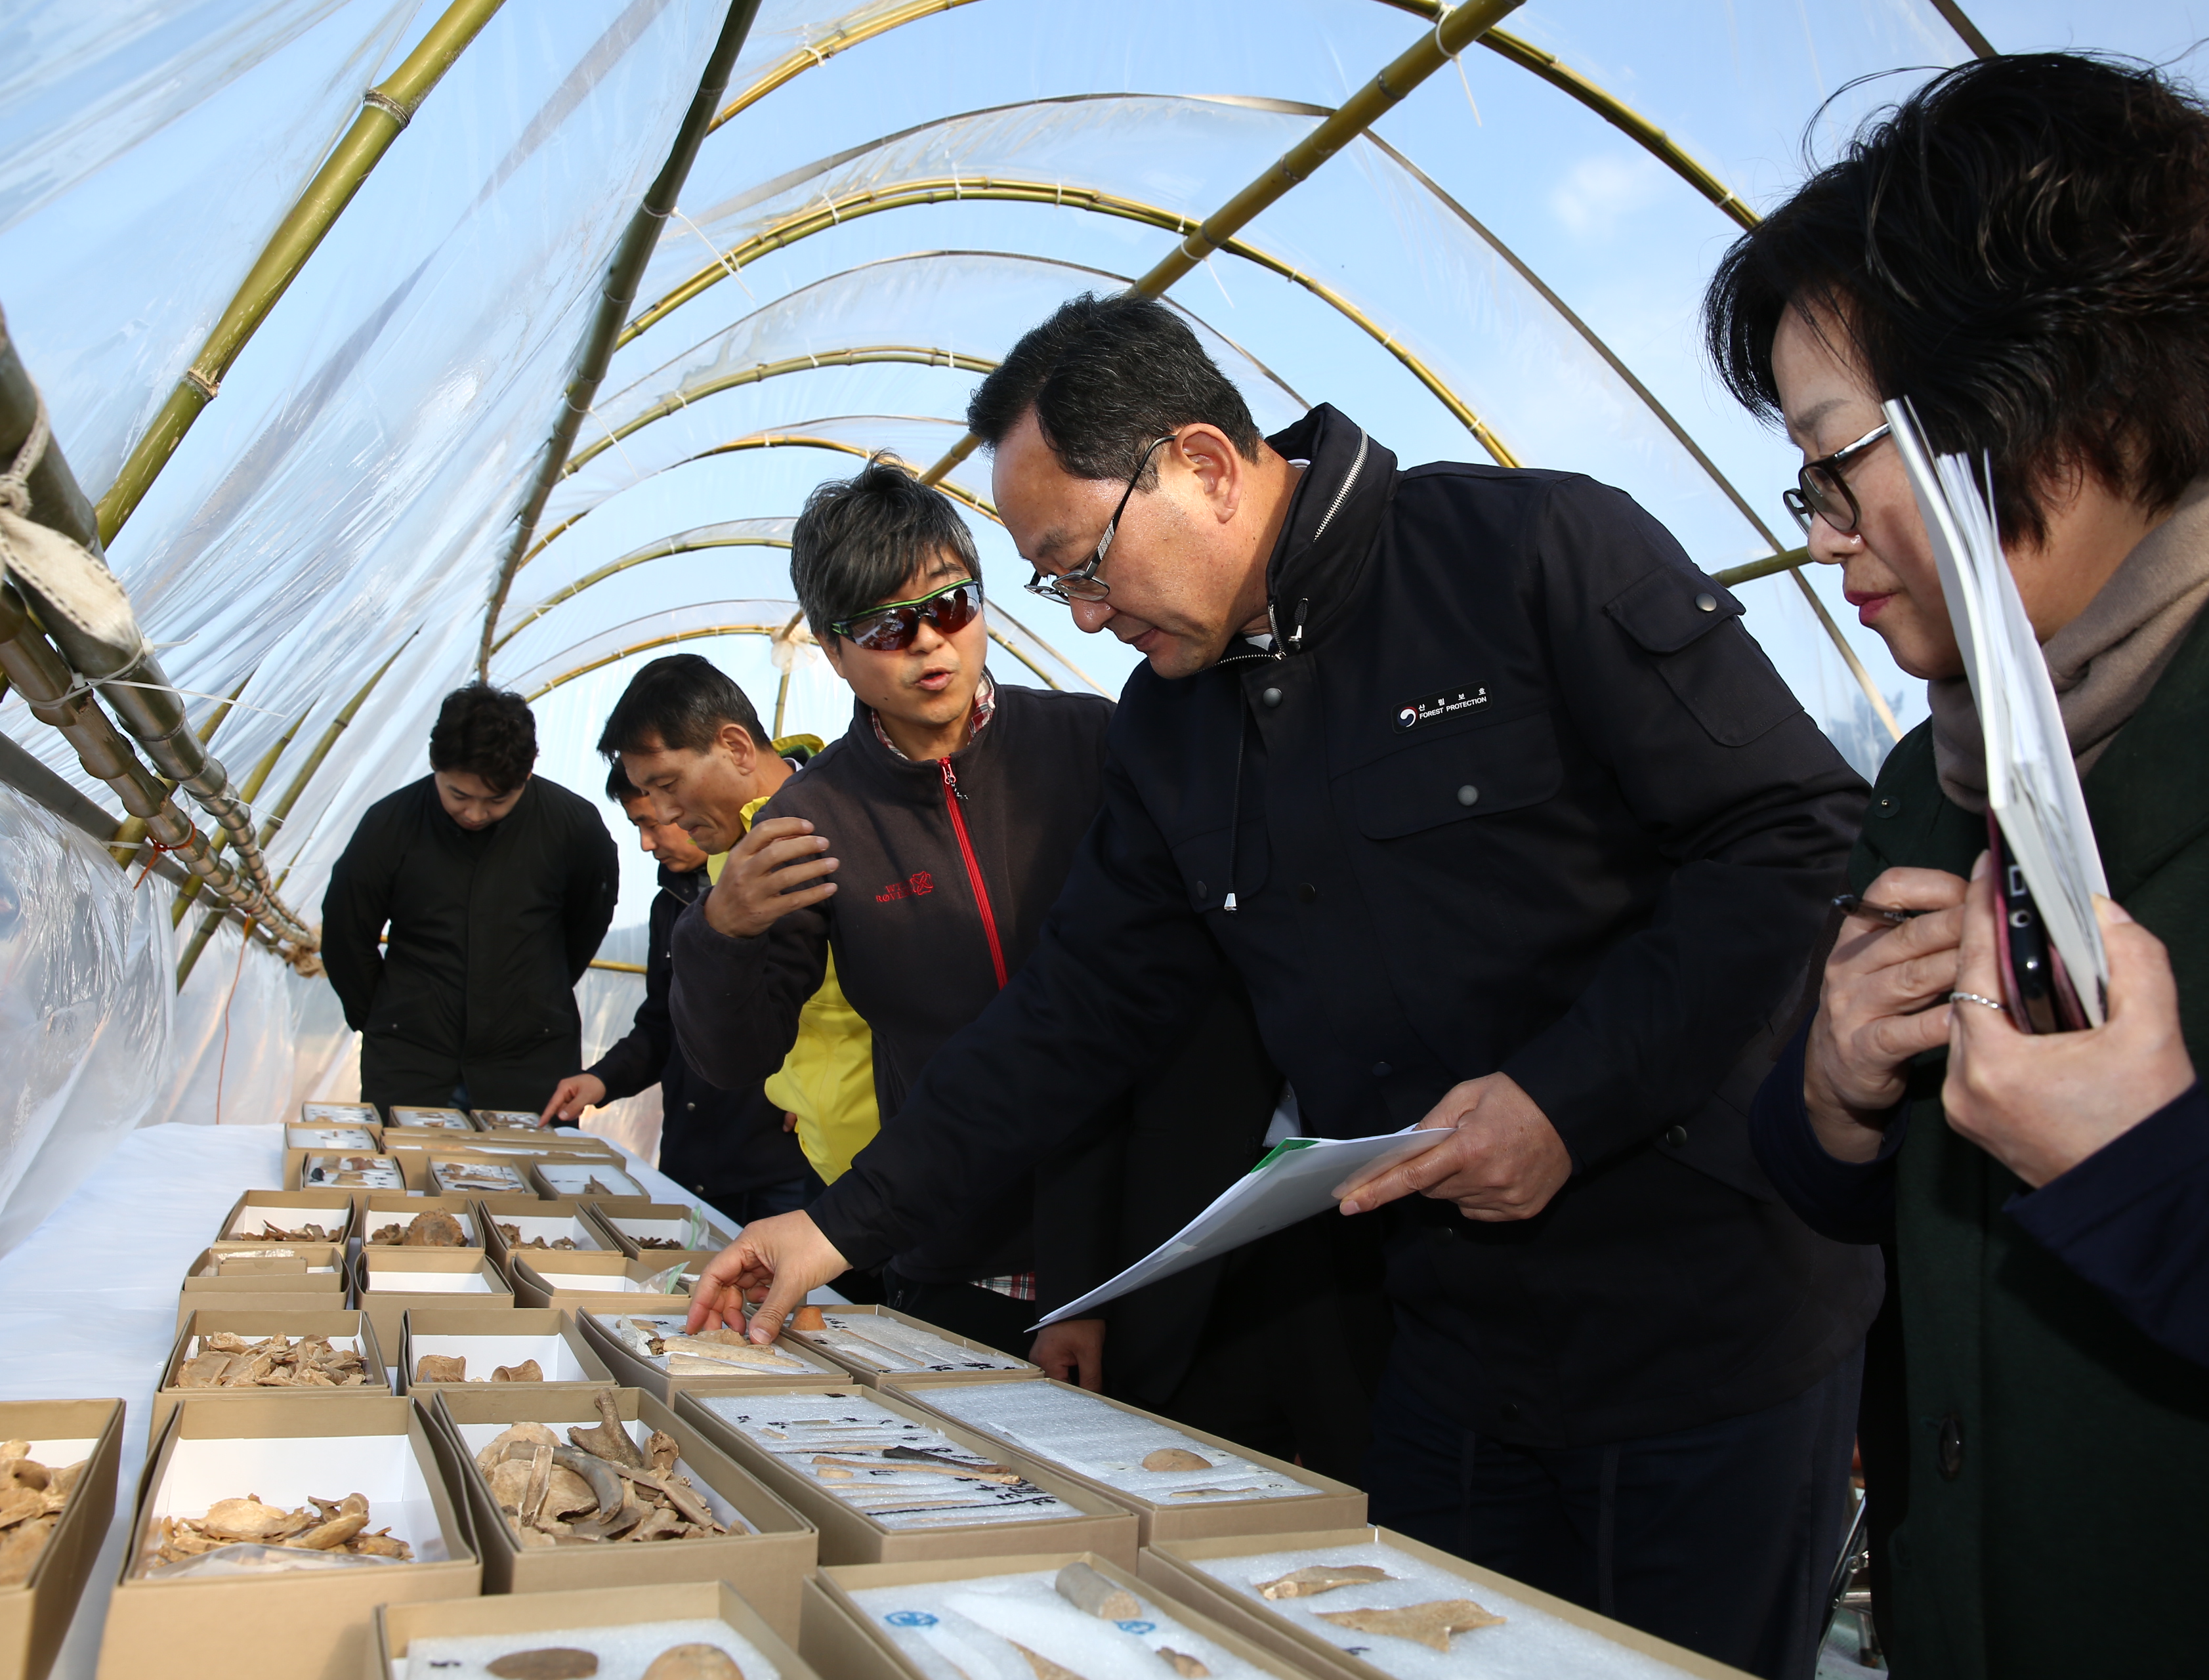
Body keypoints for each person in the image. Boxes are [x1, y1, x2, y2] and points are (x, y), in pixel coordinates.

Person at [690, 294, 1878, 1680]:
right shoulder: (1172, 731)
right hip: (1446, 1343)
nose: (1080, 610)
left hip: (1693, 1328)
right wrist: (839, 1225)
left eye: (1079, 564)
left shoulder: (1526, 552)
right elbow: (1075, 1012)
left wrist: (1565, 1096)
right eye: (1051, 584)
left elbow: (1792, 839)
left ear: (1199, 462)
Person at [1708, 53, 2209, 1678]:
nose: (1820, 530)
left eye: (1838, 460)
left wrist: (2160, 1187)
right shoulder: (1936, 765)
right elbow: (1863, 1190)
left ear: (2057, 389)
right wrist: (1822, 1098)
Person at [665, 458, 1295, 1402]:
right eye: (885, 627)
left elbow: (1153, 999)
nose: (931, 645)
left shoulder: (1097, 743)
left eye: (952, 605)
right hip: (956, 1247)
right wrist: (722, 932)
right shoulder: (816, 817)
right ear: (834, 653)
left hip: (1150, 1230)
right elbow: (734, 1055)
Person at [538, 757, 815, 1223]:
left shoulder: (793, 878)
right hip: (695, 1159)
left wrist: (818, 1099)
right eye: (637, 827)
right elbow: (664, 1022)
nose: (647, 844)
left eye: (654, 823)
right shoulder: (671, 902)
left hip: (779, 1167)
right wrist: (603, 1079)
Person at [321, 682, 615, 1110]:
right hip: (411, 1062)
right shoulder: (389, 825)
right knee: (405, 1171)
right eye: (458, 795)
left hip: (530, 1061)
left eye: (497, 800)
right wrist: (388, 1016)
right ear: (435, 765)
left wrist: (534, 996)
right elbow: (346, 933)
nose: (475, 814)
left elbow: (588, 922)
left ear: (528, 773)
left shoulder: (575, 827)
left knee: (533, 1176)